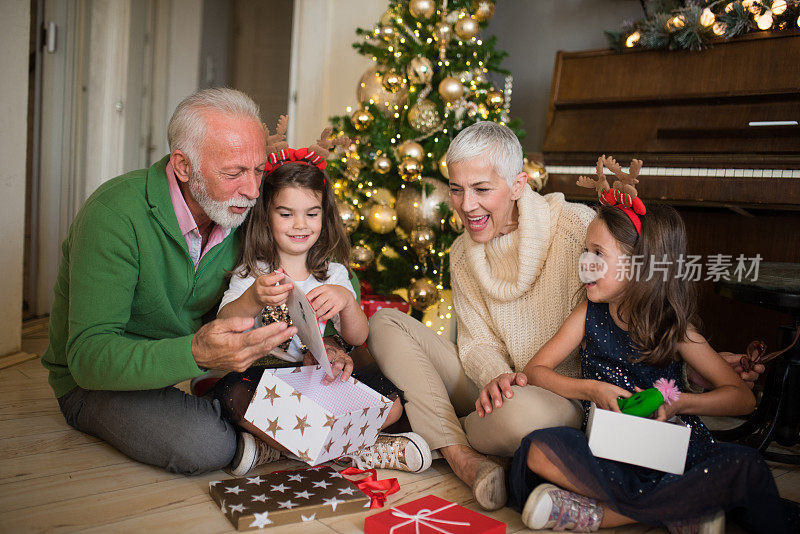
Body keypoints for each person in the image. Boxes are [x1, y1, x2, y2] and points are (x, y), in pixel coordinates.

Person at [367, 122, 764, 511]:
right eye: (457, 189)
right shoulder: (461, 253)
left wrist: (685, 373)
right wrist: (498, 379)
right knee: (384, 324)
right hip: (499, 383)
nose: (466, 205)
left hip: (559, 395)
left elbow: (632, 301)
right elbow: (475, 342)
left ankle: (437, 424)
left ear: (519, 185)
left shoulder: (579, 228)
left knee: (522, 417)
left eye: (482, 189)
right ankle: (460, 455)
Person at [41, 88, 298, 475]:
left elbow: (319, 257)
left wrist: (335, 307)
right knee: (204, 444)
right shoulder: (114, 215)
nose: (252, 190)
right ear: (183, 166)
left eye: (259, 170)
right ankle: (247, 428)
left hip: (194, 367)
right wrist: (196, 355)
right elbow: (87, 359)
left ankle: (247, 425)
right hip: (94, 384)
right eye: (233, 173)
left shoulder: (240, 207)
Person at [509, 201, 789, 533]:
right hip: (607, 450)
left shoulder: (676, 330)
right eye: (587, 250)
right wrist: (590, 388)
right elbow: (535, 370)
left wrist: (681, 403)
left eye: (599, 254)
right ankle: (681, 509)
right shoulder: (588, 315)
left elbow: (742, 398)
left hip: (669, 455)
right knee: (538, 449)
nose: (585, 263)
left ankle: (599, 515)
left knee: (747, 466)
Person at [210, 127, 431, 476]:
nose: (300, 225)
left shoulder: (334, 273)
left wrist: (346, 301)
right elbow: (223, 321)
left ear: (324, 216)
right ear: (266, 214)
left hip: (325, 379)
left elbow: (357, 338)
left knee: (391, 407)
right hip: (274, 379)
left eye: (311, 214)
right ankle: (357, 449)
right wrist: (254, 297)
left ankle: (282, 448)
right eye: (286, 214)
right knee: (236, 398)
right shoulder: (254, 272)